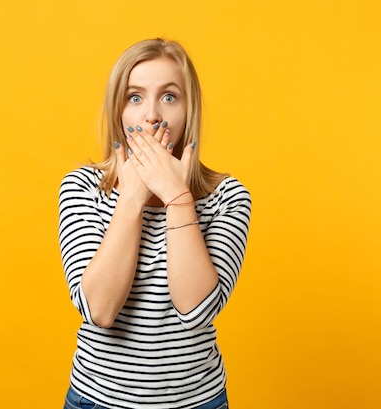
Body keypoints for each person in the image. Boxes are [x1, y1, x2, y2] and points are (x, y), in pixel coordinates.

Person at [58, 38, 251, 409]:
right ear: (118, 112)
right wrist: (131, 197)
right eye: (135, 97)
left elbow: (196, 310)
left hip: (197, 402)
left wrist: (177, 197)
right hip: (96, 400)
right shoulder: (83, 187)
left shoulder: (228, 198)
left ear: (188, 111)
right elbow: (99, 310)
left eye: (169, 97)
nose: (151, 116)